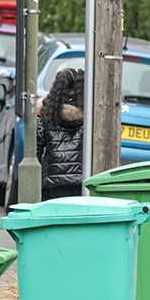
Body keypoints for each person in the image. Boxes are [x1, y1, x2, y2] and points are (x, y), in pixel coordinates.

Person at [35, 67, 85, 200]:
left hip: (51, 183)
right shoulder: (91, 117)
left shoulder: (47, 114)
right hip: (82, 182)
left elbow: (36, 150)